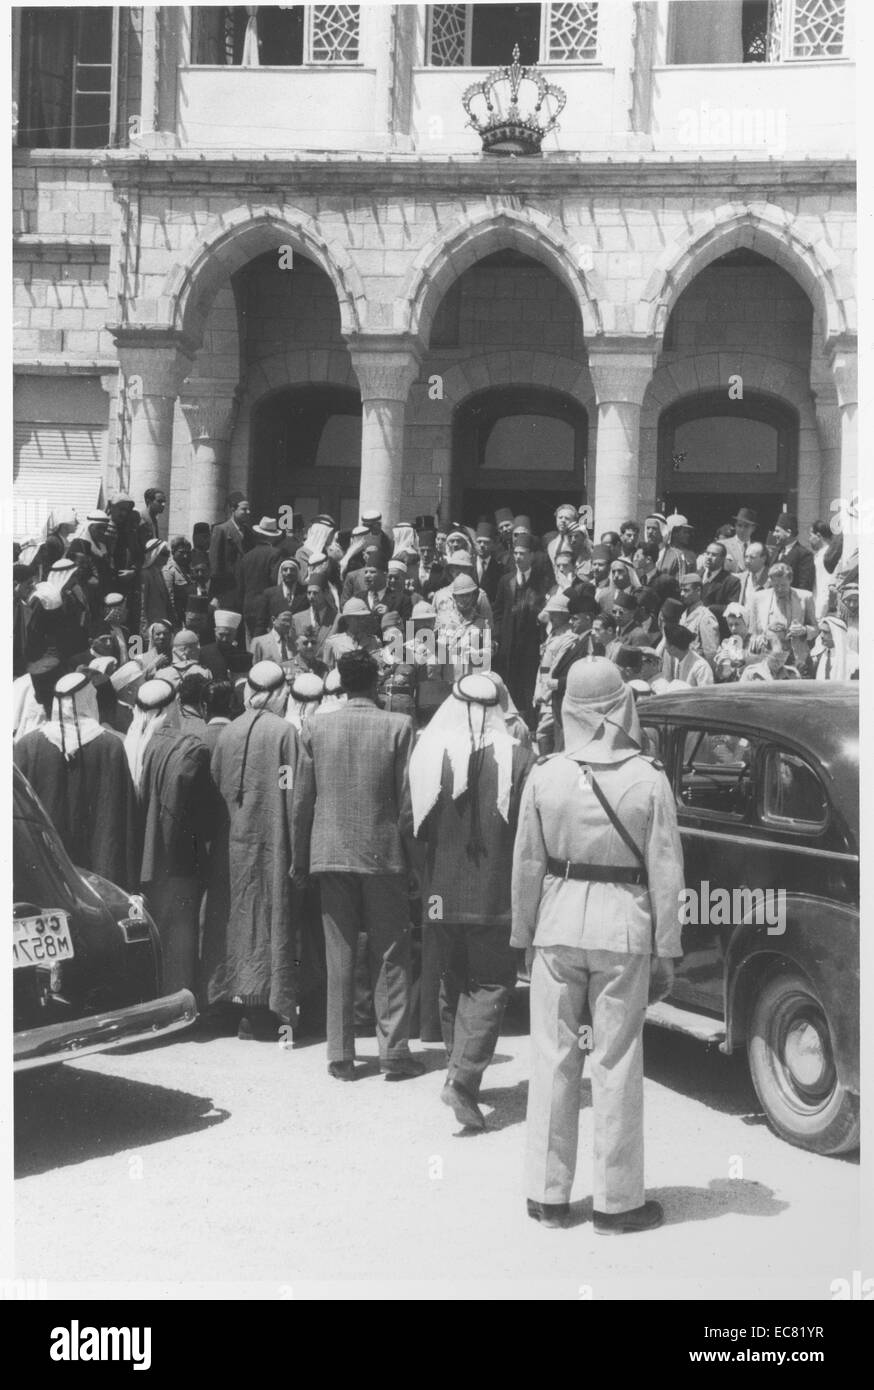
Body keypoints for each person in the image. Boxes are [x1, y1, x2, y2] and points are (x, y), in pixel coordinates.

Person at [510, 657, 684, 1233]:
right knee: (616, 1062)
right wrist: (667, 949)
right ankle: (617, 1203)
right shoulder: (649, 778)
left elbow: (528, 866)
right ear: (620, 707)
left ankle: (547, 1196)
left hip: (557, 928)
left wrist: (522, 935)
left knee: (554, 1060)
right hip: (623, 933)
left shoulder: (546, 774)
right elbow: (666, 874)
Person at [409, 673, 536, 1130]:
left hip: (440, 896)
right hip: (493, 896)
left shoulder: (427, 755)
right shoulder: (521, 760)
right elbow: (530, 835)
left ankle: (457, 1071)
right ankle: (463, 1080)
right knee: (490, 983)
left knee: (452, 980)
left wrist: (427, 882)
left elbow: (409, 823)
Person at [304, 649, 423, 1081]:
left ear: (340, 681)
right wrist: (414, 860)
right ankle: (393, 1051)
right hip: (383, 854)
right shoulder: (399, 726)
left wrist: (304, 856)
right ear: (376, 683)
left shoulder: (316, 726)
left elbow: (303, 799)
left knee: (340, 955)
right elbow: (408, 804)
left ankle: (340, 1054)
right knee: (390, 952)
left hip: (331, 853)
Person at [202, 660, 314, 1040]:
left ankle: (237, 1008)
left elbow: (218, 782)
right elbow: (293, 795)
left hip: (232, 845)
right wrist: (299, 854)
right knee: (270, 919)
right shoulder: (284, 733)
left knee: (238, 921)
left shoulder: (228, 733)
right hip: (272, 842)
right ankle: (266, 1013)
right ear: (282, 692)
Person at [125, 678, 215, 991]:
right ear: (172, 706)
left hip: (137, 863)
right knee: (179, 940)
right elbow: (190, 811)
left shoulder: (127, 742)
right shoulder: (188, 747)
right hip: (176, 862)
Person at [14, 670, 139, 890]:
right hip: (100, 870)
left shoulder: (28, 745)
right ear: (89, 700)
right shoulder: (110, 746)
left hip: (45, 870)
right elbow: (125, 816)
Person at [493, 534, 548, 725]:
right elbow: (498, 611)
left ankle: (530, 725)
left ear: (532, 555)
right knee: (510, 683)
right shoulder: (505, 581)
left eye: (522, 553)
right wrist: (498, 636)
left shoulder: (541, 582)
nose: (517, 557)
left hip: (531, 645)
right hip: (509, 644)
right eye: (515, 553)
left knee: (529, 684)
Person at [209, 492, 251, 602]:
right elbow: (215, 565)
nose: (248, 512)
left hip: (245, 588)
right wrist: (216, 595)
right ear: (233, 509)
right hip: (227, 589)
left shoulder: (248, 532)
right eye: (244, 509)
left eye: (248, 509)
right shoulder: (221, 530)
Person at [678, 572, 720, 660]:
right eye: (681, 590)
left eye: (686, 590)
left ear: (698, 590)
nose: (682, 594)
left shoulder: (706, 617)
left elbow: (711, 654)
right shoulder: (683, 615)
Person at [139, 539, 174, 638]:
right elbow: (142, 604)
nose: (167, 557)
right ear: (154, 553)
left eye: (168, 554)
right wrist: (144, 631)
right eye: (164, 554)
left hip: (161, 627)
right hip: (149, 629)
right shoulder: (145, 574)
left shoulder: (159, 572)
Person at [772, 511, 815, 592]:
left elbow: (804, 588)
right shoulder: (776, 552)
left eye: (777, 531)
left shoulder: (804, 555)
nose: (774, 534)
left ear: (788, 532)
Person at [713, 603, 756, 682]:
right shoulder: (726, 644)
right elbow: (720, 675)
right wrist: (721, 665)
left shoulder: (755, 642)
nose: (733, 629)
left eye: (737, 624)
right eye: (730, 625)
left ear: (746, 623)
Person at [812, 615, 858, 681]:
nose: (821, 635)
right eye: (820, 632)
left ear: (837, 635)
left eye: (826, 632)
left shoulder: (853, 659)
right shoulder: (818, 656)